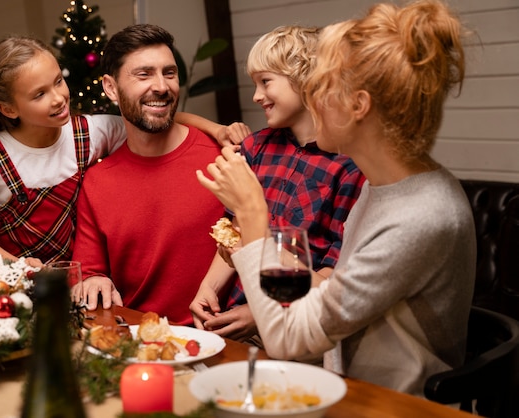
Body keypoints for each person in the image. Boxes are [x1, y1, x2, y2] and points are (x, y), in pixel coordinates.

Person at [196, 0, 476, 397]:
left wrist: (253, 214)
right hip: (337, 380)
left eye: (320, 88)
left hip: (388, 403)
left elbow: (289, 338)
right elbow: (331, 298)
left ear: (358, 105)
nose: (312, 98)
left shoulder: (421, 217)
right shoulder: (379, 188)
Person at [0, 35, 245, 267]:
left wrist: (216, 129)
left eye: (58, 82)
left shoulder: (90, 132)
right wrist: (16, 266)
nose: (58, 98)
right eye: (40, 94)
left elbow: (153, 116)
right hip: (17, 281)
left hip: (80, 280)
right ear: (9, 108)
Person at [189, 25, 365, 342]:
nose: (256, 96)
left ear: (304, 79)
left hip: (299, 326)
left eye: (265, 81)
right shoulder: (256, 147)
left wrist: (261, 314)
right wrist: (209, 287)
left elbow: (332, 275)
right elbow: (234, 231)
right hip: (234, 317)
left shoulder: (349, 167)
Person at [71, 23, 250, 325]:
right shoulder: (98, 182)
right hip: (142, 343)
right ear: (111, 88)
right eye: (144, 74)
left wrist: (258, 313)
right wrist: (92, 281)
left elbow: (273, 244)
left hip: (226, 341)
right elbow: (88, 272)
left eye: (169, 73)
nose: (162, 86)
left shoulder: (225, 155)